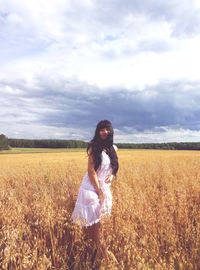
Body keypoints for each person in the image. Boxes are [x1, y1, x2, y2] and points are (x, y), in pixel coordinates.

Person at [70, 119, 119, 266]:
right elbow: (91, 171)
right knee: (95, 230)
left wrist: (113, 176)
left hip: (104, 188)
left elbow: (115, 167)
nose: (104, 132)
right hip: (91, 189)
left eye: (107, 129)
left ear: (110, 132)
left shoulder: (113, 149)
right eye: (101, 129)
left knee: (93, 229)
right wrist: (99, 191)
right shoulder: (94, 147)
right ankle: (107, 261)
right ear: (98, 132)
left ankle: (91, 257)